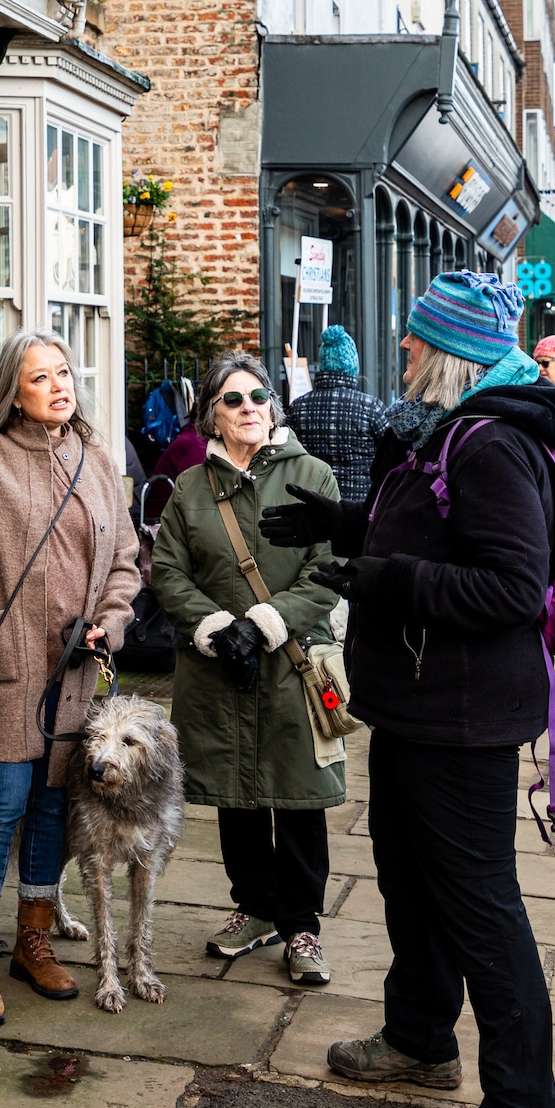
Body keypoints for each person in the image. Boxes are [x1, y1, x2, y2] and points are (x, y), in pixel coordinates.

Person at [261, 271, 555, 1108]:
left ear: (452, 352)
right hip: (415, 705)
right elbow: (429, 533)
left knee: (480, 905)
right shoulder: (449, 430)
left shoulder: (491, 443)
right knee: (409, 878)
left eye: (414, 338)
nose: (401, 348)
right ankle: (420, 1038)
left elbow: (512, 587)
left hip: (463, 716)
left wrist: (391, 580)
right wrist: (344, 525)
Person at [0, 330, 140, 1029]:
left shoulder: (96, 461)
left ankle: (33, 939)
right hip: (7, 664)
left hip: (74, 669)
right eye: (39, 378)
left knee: (53, 804)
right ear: (11, 392)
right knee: (4, 799)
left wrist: (108, 622)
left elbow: (125, 561)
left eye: (63, 373)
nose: (59, 386)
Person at [150, 353, 344, 988]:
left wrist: (261, 624)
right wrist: (213, 627)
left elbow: (327, 570)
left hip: (291, 663)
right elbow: (167, 570)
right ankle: (256, 906)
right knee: (235, 795)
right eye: (233, 399)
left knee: (298, 796)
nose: (249, 408)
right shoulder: (190, 487)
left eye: (259, 395)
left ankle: (302, 925)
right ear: (212, 414)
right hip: (217, 669)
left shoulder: (312, 474)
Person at [287, 325, 388, 503]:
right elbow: (392, 457)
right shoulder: (371, 407)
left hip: (314, 503)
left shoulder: (298, 407)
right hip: (361, 506)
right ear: (353, 366)